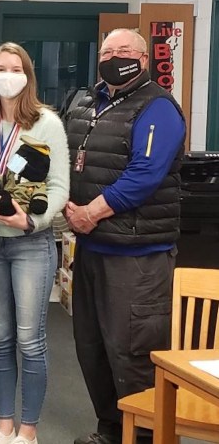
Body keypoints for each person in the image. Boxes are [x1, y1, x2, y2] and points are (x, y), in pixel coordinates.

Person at [64, 28, 185, 444]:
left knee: (131, 352)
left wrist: (89, 213)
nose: (114, 57)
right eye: (107, 51)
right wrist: (61, 202)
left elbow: (144, 175)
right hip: (91, 249)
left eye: (124, 51)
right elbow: (62, 159)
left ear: (144, 59)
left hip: (137, 256)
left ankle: (146, 436)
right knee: (92, 347)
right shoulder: (83, 103)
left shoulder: (158, 107)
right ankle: (112, 430)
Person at [0, 43, 69, 444]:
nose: (8, 74)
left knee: (30, 338)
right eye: (0, 67)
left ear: (28, 75)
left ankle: (28, 430)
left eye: (16, 68)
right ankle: (3, 426)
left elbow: (58, 186)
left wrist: (32, 219)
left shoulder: (47, 123)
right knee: (0, 337)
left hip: (30, 243)